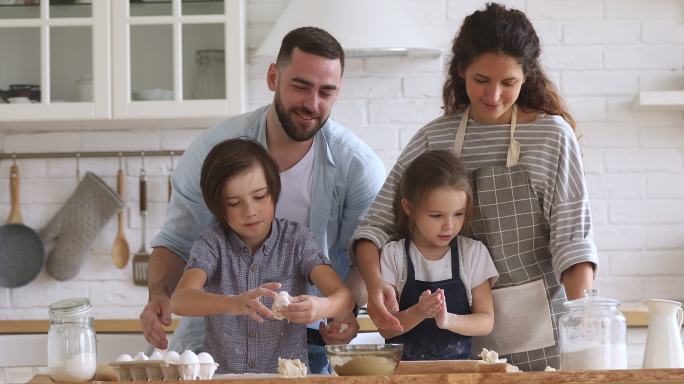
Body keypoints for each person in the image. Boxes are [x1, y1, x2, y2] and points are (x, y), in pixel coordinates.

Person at [351, 3, 598, 371]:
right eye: (482, 80)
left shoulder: (551, 137)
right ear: (461, 69)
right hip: (449, 344)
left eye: (508, 83)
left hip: (540, 339)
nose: (493, 95)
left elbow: (572, 245)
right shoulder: (435, 138)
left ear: (526, 77)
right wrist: (374, 287)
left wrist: (586, 333)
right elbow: (373, 229)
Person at [140, 27, 386, 374]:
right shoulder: (213, 152)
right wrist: (159, 295)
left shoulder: (358, 167)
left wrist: (341, 310)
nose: (312, 104)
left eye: (326, 92)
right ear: (274, 77)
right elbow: (177, 242)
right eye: (300, 86)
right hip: (217, 344)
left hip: (305, 343)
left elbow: (363, 255)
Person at [170, 138, 353, 374]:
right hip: (226, 378)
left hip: (287, 377)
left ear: (274, 192)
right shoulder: (212, 243)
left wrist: (321, 307)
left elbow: (344, 298)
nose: (250, 211)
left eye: (259, 197)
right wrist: (230, 303)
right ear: (218, 207)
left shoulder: (297, 240)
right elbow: (180, 300)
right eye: (234, 203)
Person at [378, 150, 497, 361]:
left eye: (459, 214)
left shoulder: (472, 253)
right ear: (408, 207)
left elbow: (485, 321)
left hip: (458, 376)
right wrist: (418, 312)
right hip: (403, 376)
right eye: (436, 215)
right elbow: (386, 328)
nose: (449, 226)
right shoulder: (393, 255)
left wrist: (448, 320)